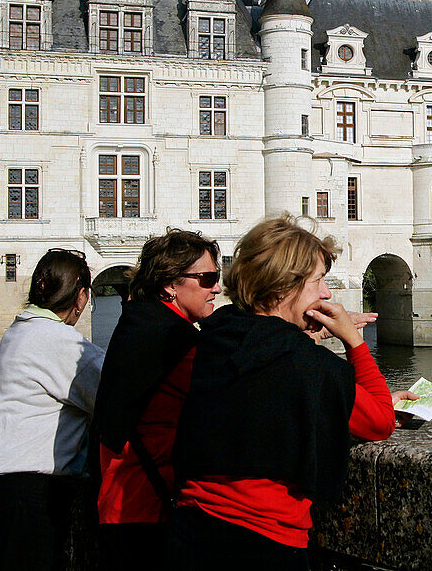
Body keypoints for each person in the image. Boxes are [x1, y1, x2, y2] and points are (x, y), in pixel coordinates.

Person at [167, 215, 406, 569]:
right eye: (318, 281)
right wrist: (353, 341)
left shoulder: (215, 336)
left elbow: (263, 373)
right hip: (266, 539)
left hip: (190, 527)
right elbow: (380, 421)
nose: (326, 293)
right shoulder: (309, 365)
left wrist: (310, 341)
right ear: (283, 288)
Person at [91, 229, 222, 570]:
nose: (217, 288)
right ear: (169, 285)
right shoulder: (176, 343)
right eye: (207, 278)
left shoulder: (138, 325)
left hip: (119, 505)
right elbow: (237, 399)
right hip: (148, 511)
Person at [0, 248, 104, 571]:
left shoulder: (20, 330)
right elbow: (112, 394)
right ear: (81, 297)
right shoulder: (60, 342)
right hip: (25, 491)